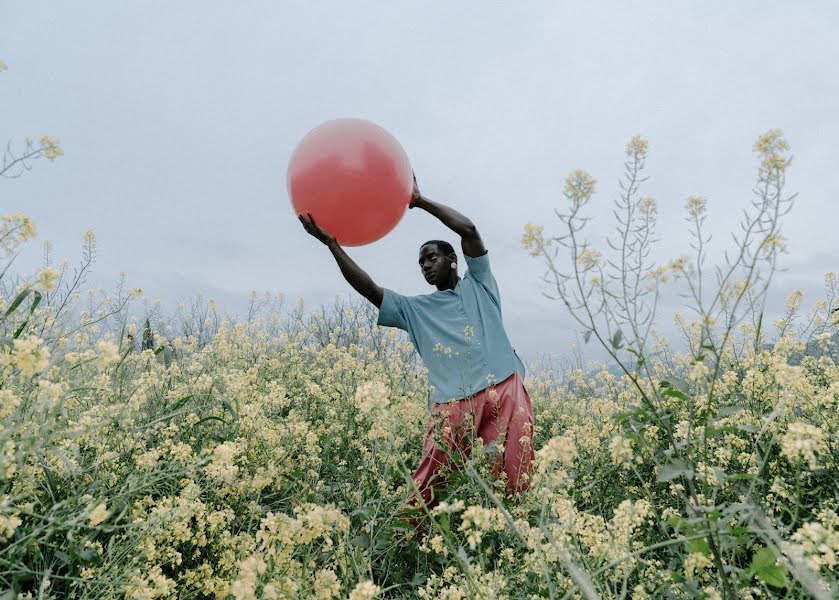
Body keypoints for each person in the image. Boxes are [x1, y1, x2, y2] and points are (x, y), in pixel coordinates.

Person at [298, 175, 534, 515]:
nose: (425, 265)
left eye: (431, 257)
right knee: (427, 487)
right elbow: (370, 290)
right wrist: (333, 244)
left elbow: (468, 230)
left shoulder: (479, 284)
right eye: (421, 262)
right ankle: (412, 542)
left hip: (505, 390)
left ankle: (517, 539)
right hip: (452, 406)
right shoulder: (414, 309)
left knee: (515, 479)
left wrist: (420, 202)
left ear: (453, 260)